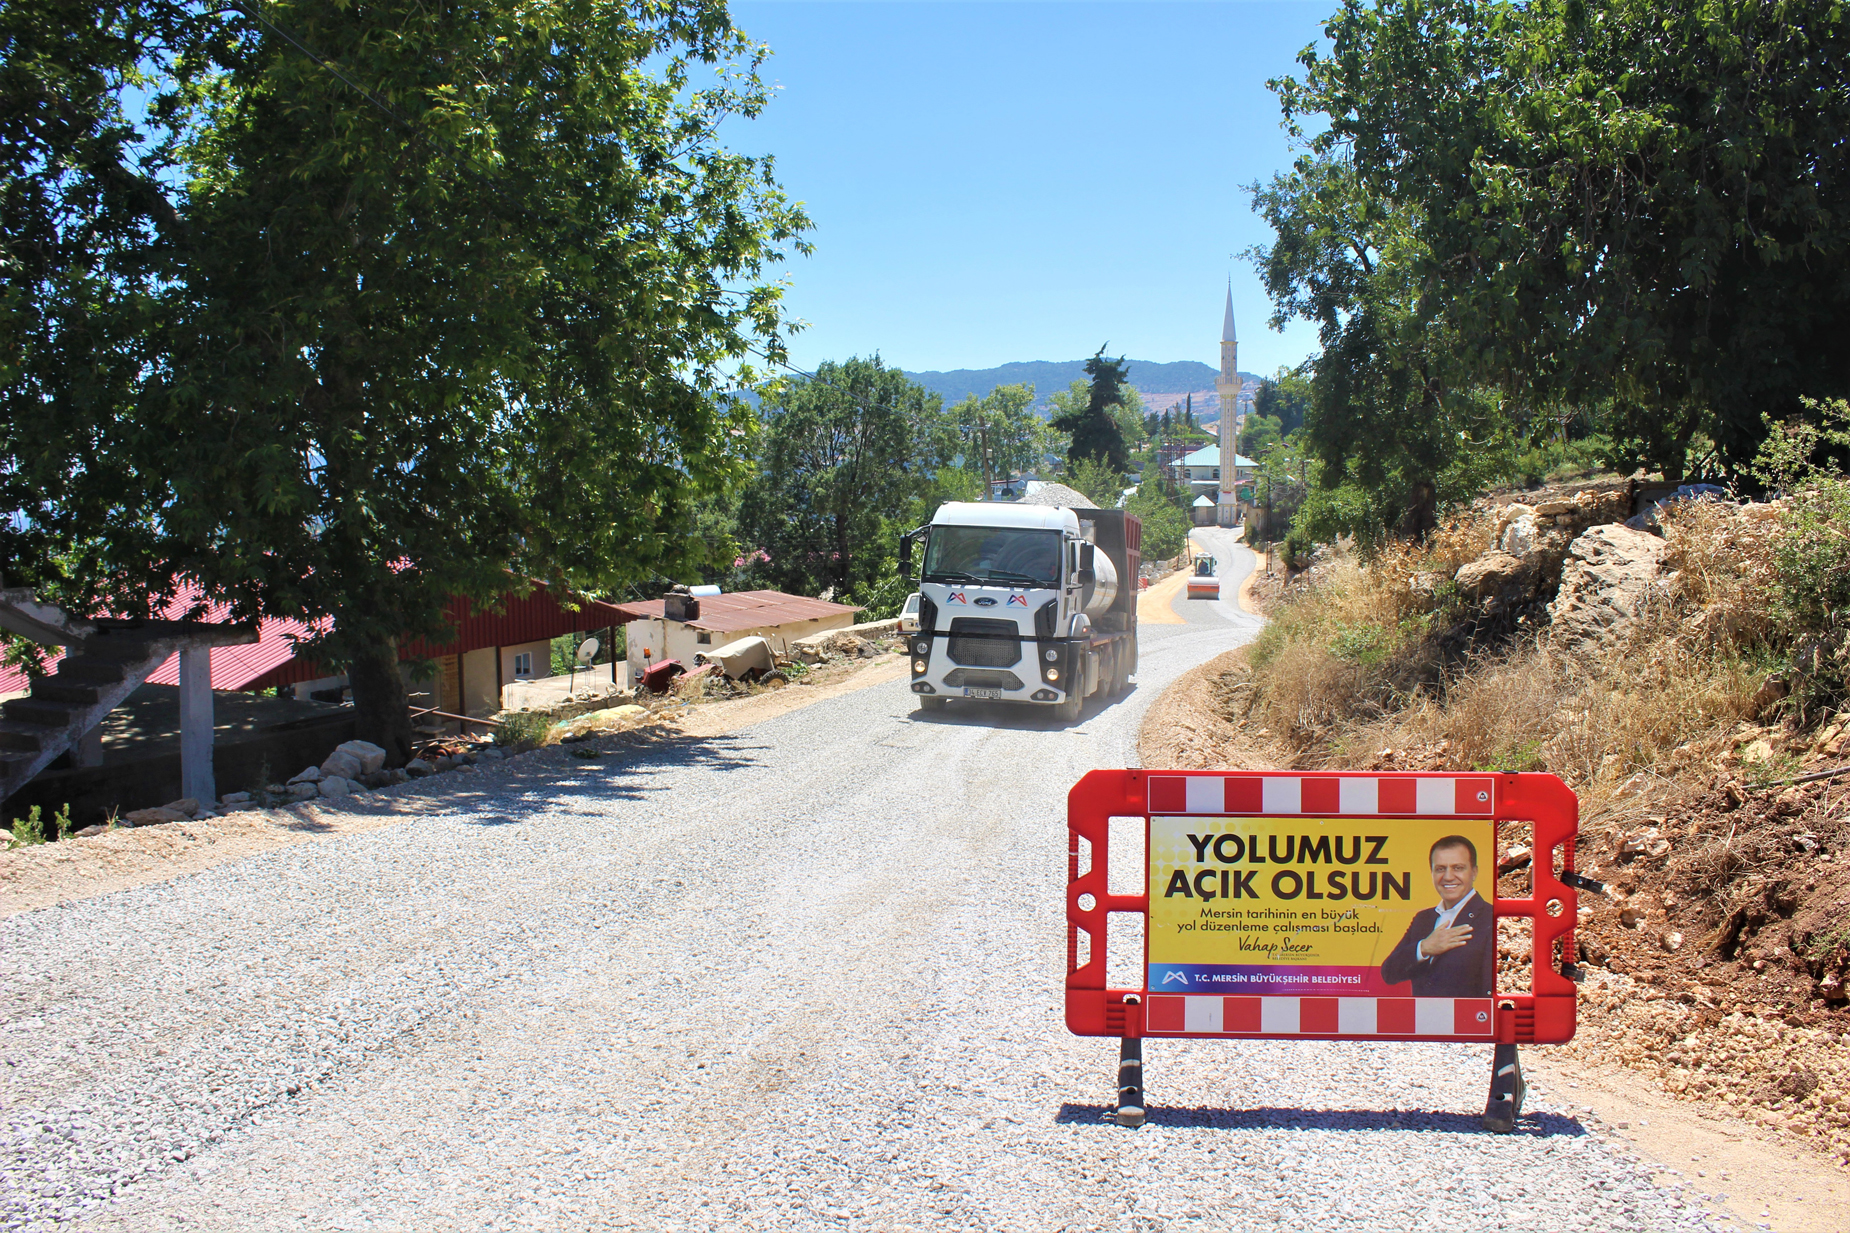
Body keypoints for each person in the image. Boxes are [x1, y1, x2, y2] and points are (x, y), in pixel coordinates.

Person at [1380, 835, 1495, 997]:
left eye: (1458, 868)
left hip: (1464, 1020)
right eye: (1440, 869)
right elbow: (1389, 973)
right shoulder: (1423, 919)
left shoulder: (1492, 918)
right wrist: (1424, 947)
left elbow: (1490, 991)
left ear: (1474, 872)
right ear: (1432, 873)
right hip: (1421, 1019)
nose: (1448, 877)